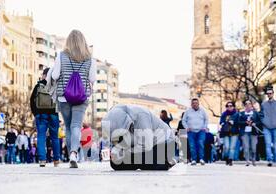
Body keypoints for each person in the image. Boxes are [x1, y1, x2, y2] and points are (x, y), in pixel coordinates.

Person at [50, 30, 96, 169]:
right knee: (76, 125)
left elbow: (55, 75)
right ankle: (74, 154)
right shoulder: (90, 59)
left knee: (69, 127)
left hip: (64, 96)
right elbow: (92, 79)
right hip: (82, 97)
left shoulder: (61, 56)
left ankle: (72, 153)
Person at [103, 105, 176, 171]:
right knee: (115, 164)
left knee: (143, 159)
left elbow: (147, 146)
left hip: (164, 142)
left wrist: (125, 152)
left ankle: (165, 161)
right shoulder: (115, 119)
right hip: (140, 146)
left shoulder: (141, 115)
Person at [30, 67, 62, 168]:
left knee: (41, 136)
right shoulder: (56, 86)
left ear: (44, 75)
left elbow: (32, 100)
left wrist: (36, 113)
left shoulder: (38, 85)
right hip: (53, 114)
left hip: (41, 114)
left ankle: (42, 160)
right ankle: (56, 160)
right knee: (55, 138)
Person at [260, 88, 276, 167]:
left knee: (275, 145)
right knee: (267, 144)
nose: (269, 95)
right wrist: (264, 122)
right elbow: (261, 115)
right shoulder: (263, 104)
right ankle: (269, 160)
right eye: (268, 93)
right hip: (266, 127)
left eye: (270, 93)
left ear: (273, 94)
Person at [182, 98, 209, 166]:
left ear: (198, 104)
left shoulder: (203, 111)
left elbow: (206, 119)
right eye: (193, 103)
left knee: (200, 144)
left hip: (201, 131)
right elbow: (183, 120)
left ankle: (201, 159)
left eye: (196, 103)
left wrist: (204, 127)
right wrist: (186, 128)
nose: (195, 104)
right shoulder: (187, 111)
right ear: (191, 104)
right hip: (191, 131)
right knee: (192, 146)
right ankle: (193, 159)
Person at [238, 99, 260, 167]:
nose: (248, 105)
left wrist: (254, 123)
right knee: (246, 147)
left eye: (249, 104)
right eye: (246, 104)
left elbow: (260, 122)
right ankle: (247, 160)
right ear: (244, 106)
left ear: (251, 105)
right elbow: (238, 123)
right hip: (245, 133)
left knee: (253, 147)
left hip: (253, 132)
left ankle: (253, 159)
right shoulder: (241, 114)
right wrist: (245, 123)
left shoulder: (255, 113)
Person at [219, 102, 240, 166]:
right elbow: (221, 122)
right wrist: (224, 123)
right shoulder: (224, 114)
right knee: (226, 147)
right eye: (228, 106)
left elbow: (239, 123)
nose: (229, 107)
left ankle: (230, 159)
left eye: (231, 106)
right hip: (226, 132)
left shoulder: (237, 114)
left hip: (234, 132)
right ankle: (226, 157)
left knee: (232, 147)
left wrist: (234, 123)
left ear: (233, 106)